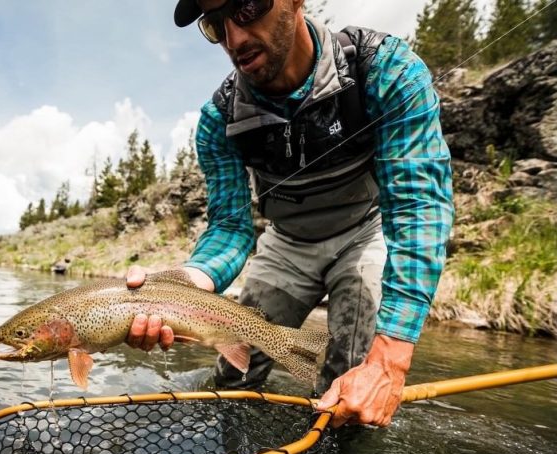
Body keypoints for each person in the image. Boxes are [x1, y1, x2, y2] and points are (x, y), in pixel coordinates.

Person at [126, 0, 454, 428]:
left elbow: (417, 208)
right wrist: (178, 288)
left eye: (246, 8)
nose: (234, 39)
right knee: (232, 377)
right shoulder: (217, 120)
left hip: (365, 235)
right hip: (285, 244)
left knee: (347, 387)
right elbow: (229, 229)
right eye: (215, 25)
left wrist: (389, 359)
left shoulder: (386, 69)